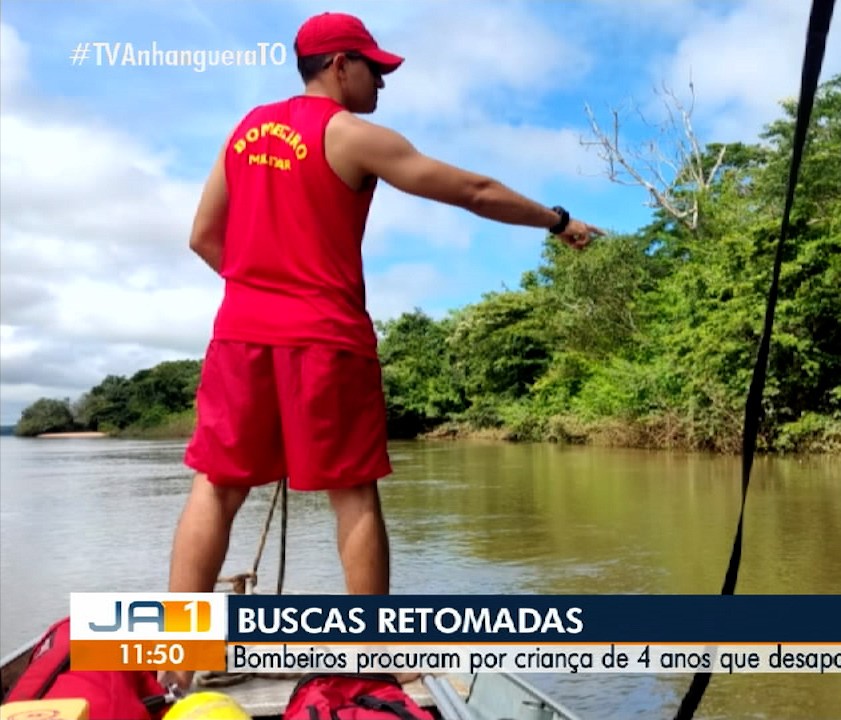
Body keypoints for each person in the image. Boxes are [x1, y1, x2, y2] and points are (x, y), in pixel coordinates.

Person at [162, 11, 603, 690]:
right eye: (376, 69)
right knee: (353, 495)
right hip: (325, 339)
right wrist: (559, 220)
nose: (382, 84)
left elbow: (203, 238)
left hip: (239, 335)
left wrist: (262, 290)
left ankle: (180, 656)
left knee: (216, 489)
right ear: (340, 65)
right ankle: (372, 653)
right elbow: (474, 192)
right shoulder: (352, 135)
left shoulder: (244, 132)